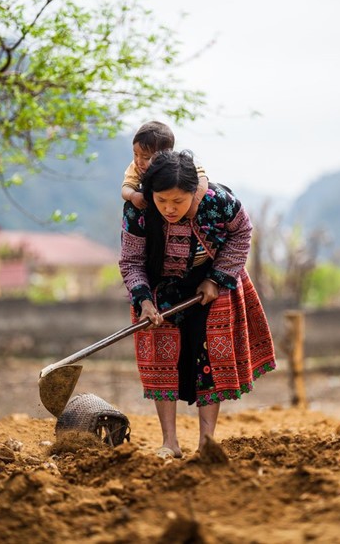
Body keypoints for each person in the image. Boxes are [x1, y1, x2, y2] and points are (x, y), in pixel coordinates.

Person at [119, 150, 276, 459]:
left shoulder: (220, 202)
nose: (169, 208)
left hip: (210, 287)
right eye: (162, 201)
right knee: (163, 362)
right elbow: (132, 260)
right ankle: (170, 443)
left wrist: (216, 279)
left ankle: (207, 442)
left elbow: (242, 233)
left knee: (208, 363)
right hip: (160, 290)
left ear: (196, 192)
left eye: (178, 202)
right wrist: (144, 302)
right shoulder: (137, 210)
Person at [121, 120, 208, 217]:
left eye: (146, 157)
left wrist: (194, 203)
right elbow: (126, 187)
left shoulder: (182, 165)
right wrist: (132, 195)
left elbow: (203, 180)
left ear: (165, 155)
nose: (139, 161)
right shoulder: (136, 167)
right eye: (135, 154)